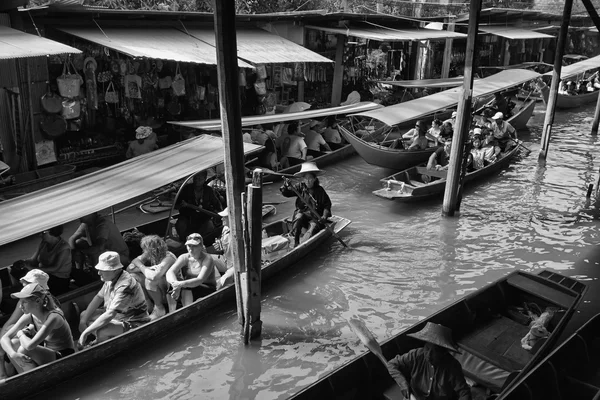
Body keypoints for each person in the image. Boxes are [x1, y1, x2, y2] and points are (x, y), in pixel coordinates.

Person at [0, 283, 74, 376]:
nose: (20, 306)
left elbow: (30, 346)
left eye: (24, 302)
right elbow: (4, 338)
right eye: (20, 302)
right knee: (13, 343)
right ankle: (25, 377)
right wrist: (13, 354)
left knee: (23, 349)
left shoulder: (54, 317)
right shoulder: (29, 315)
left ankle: (35, 378)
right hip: (48, 354)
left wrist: (20, 333)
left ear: (38, 301)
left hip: (64, 356)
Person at [78, 251, 150, 347]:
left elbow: (110, 314)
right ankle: (104, 338)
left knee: (102, 331)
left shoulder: (125, 286)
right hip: (117, 317)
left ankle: (102, 341)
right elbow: (98, 297)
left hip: (134, 322)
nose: (99, 273)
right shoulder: (110, 279)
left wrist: (85, 332)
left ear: (115, 270)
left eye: (102, 270)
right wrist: (83, 321)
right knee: (84, 315)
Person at [387, 322, 472, 400]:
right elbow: (392, 364)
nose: (429, 354)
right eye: (427, 348)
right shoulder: (416, 355)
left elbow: (464, 393)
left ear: (443, 352)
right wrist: (403, 383)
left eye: (435, 351)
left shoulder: (452, 366)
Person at [0, 270, 53, 379]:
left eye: (27, 284)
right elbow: (12, 322)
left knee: (15, 343)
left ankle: (27, 377)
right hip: (34, 337)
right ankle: (11, 374)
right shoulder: (25, 302)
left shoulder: (47, 303)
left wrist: (20, 334)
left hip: (46, 345)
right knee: (8, 340)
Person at [280, 162, 332, 247]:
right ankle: (296, 241)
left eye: (310, 178)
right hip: (303, 214)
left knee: (312, 229)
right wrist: (285, 187)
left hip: (315, 217)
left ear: (315, 178)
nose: (308, 181)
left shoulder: (320, 190)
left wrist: (324, 216)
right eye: (305, 178)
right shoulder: (300, 187)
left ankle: (303, 245)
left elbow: (327, 205)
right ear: (303, 179)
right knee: (298, 217)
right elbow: (288, 193)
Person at [127, 235, 177, 319]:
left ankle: (159, 309)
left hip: (170, 291)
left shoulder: (168, 258)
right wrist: (145, 267)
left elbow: (154, 277)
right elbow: (129, 268)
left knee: (150, 281)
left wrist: (140, 266)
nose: (143, 251)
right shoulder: (148, 255)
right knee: (133, 277)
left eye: (145, 249)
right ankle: (148, 304)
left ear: (152, 250)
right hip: (157, 288)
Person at [11, 225, 72, 295]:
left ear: (52, 233)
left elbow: (55, 268)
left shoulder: (64, 247)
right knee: (15, 270)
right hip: (43, 274)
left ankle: (31, 294)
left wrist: (32, 269)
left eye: (43, 232)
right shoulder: (44, 243)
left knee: (31, 279)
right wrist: (23, 263)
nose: (40, 235)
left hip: (58, 279)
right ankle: (25, 292)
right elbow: (33, 260)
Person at [166, 233, 217, 306]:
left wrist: (180, 284)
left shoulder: (207, 259)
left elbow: (200, 279)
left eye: (194, 246)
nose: (191, 249)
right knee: (171, 285)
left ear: (201, 246)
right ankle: (172, 313)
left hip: (206, 288)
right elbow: (170, 272)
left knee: (186, 287)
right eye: (189, 246)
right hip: (189, 286)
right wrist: (175, 284)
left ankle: (187, 311)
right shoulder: (184, 257)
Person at [174, 170, 223, 244]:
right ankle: (184, 242)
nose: (197, 180)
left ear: (204, 179)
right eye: (195, 178)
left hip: (204, 218)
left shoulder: (209, 190)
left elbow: (217, 205)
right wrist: (182, 205)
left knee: (210, 226)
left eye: (200, 178)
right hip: (187, 218)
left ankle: (204, 244)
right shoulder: (186, 189)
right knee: (181, 224)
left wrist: (219, 214)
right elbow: (176, 205)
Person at [213, 208, 234, 290]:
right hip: (226, 260)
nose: (222, 218)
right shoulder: (225, 229)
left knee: (223, 281)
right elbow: (223, 248)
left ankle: (221, 282)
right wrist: (219, 247)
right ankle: (216, 280)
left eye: (225, 216)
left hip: (236, 265)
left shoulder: (241, 231)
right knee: (207, 257)